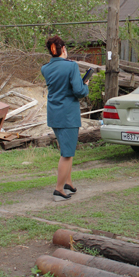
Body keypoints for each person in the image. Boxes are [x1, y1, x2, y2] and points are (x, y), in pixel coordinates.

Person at [41, 36, 89, 201]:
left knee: (66, 149)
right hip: (68, 114)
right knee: (67, 153)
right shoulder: (71, 66)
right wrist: (86, 85)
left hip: (54, 113)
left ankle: (68, 182)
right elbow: (78, 91)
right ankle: (59, 189)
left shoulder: (45, 68)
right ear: (63, 49)